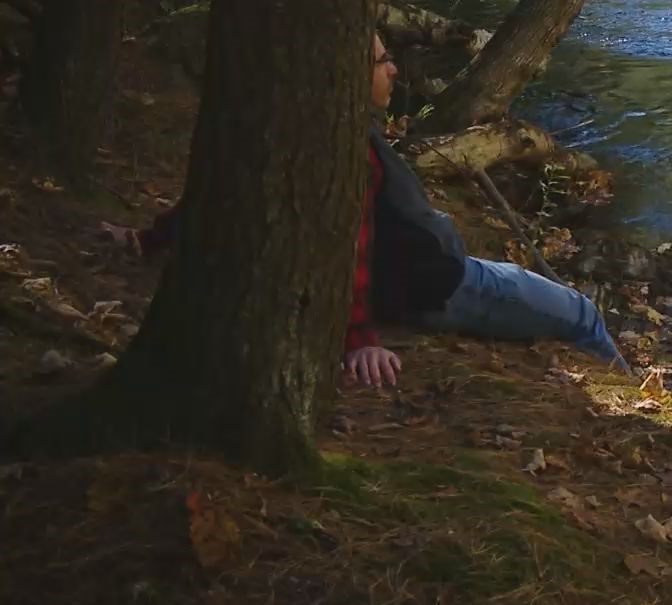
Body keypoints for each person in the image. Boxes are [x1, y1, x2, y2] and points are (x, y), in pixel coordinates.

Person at [106, 33, 629, 388]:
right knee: (582, 314)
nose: (394, 70)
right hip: (442, 288)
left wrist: (150, 240)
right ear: (350, 73)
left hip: (443, 274)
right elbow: (350, 241)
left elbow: (224, 195)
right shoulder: (345, 152)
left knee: (545, 293)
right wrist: (358, 340)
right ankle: (632, 411)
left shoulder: (307, 127)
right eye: (382, 61)